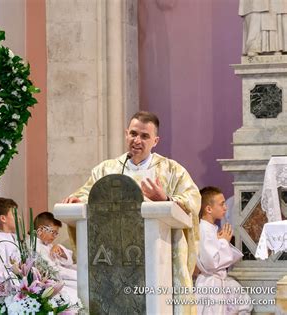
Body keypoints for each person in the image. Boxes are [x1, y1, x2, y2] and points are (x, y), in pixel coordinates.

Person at [62, 111, 201, 314]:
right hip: (112, 258)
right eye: (133, 134)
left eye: (145, 136)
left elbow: (193, 200)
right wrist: (77, 200)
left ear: (155, 140)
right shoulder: (106, 170)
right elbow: (87, 193)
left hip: (158, 258)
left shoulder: (172, 170)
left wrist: (165, 200)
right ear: (126, 134)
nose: (137, 140)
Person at [196, 186, 253, 314]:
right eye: (221, 204)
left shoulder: (212, 228)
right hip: (210, 285)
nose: (225, 208)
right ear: (209, 209)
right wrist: (223, 241)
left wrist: (222, 241)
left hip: (216, 283)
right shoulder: (203, 229)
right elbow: (212, 263)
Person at [33, 212, 78, 303]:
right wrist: (77, 276)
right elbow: (53, 271)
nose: (54, 236)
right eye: (53, 232)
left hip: (61, 276)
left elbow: (69, 261)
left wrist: (59, 250)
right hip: (52, 282)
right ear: (41, 229)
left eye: (56, 233)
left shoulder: (47, 244)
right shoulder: (34, 246)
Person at [0, 197, 20, 285]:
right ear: (3, 218)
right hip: (10, 292)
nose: (19, 218)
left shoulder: (13, 238)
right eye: (15, 214)